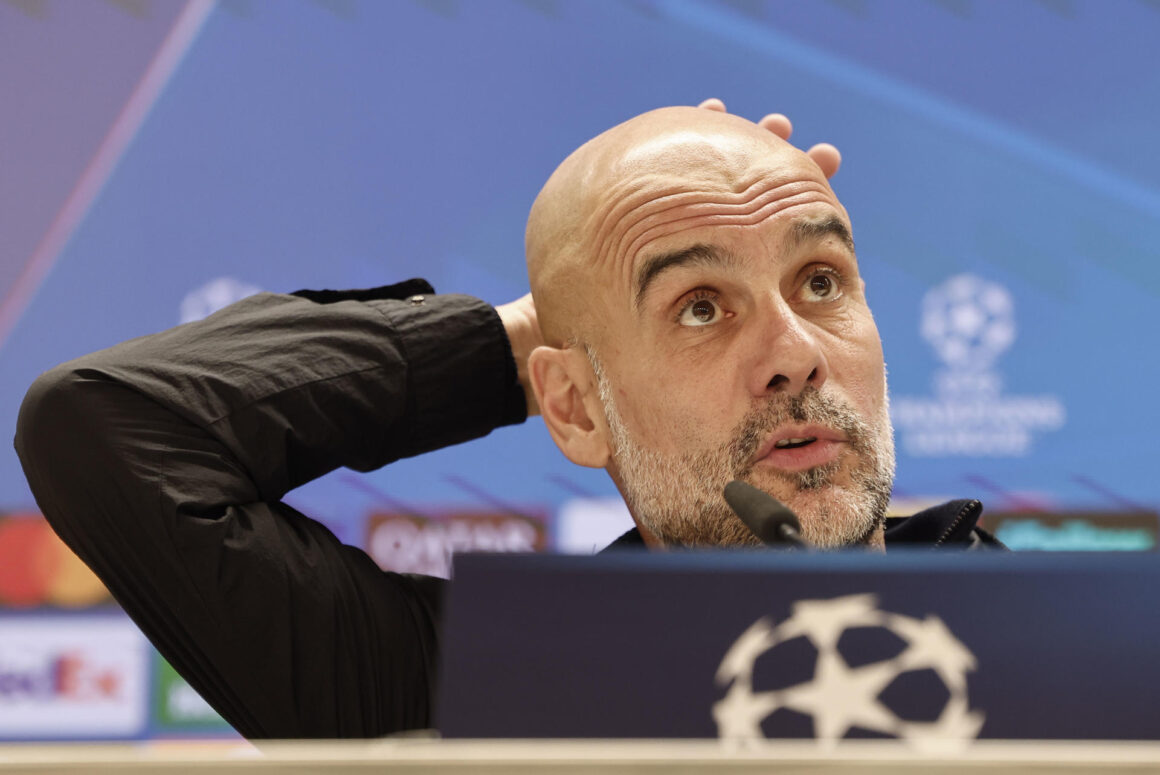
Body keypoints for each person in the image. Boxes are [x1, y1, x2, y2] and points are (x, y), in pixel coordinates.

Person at [14, 102, 999, 740]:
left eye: (817, 279)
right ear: (571, 407)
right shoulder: (467, 692)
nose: (795, 352)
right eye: (700, 306)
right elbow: (105, 428)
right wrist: (533, 332)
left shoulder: (1091, 638)